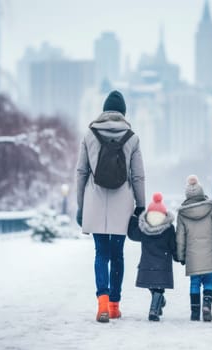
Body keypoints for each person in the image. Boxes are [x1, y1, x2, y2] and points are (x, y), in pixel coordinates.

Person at [76, 90, 146, 323]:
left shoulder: (89, 134)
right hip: (122, 204)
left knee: (100, 254)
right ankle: (115, 306)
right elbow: (137, 176)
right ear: (123, 113)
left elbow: (81, 172)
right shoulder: (132, 138)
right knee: (117, 255)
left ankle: (102, 303)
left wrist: (80, 206)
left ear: (104, 111)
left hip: (94, 202)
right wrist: (141, 206)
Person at [175, 175, 212, 322]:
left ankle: (194, 311)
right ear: (201, 193)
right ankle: (207, 306)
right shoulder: (210, 208)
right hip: (209, 255)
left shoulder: (182, 214)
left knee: (194, 283)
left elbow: (180, 238)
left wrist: (180, 256)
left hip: (192, 257)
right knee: (208, 282)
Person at [127, 193, 177, 322]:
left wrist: (133, 218)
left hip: (147, 264)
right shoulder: (169, 229)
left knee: (152, 285)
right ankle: (154, 310)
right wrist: (178, 256)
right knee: (159, 288)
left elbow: (132, 234)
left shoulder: (144, 228)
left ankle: (158, 303)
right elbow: (173, 245)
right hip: (163, 265)